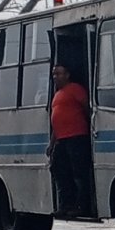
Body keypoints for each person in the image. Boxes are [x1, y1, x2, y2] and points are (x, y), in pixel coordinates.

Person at [46, 64, 91, 217]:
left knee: (79, 173)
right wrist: (51, 144)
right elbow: (55, 122)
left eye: (58, 73)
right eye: (53, 74)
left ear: (67, 75)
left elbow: (87, 109)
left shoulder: (75, 89)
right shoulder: (57, 94)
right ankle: (65, 205)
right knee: (59, 170)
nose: (55, 77)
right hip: (61, 139)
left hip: (77, 137)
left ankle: (81, 205)